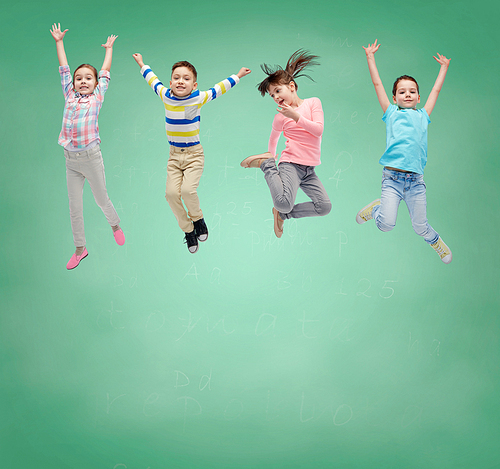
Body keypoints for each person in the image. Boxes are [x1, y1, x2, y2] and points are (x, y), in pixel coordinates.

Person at [132, 53, 251, 253]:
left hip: (194, 155)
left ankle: (198, 219)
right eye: (177, 78)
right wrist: (142, 64)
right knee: (170, 195)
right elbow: (152, 80)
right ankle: (188, 230)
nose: (181, 81)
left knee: (188, 191)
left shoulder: (199, 97)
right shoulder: (165, 95)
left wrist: (238, 75)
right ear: (170, 83)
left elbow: (219, 89)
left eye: (186, 79)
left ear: (194, 85)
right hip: (174, 157)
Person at [356, 39, 452, 264]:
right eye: (402, 92)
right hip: (392, 179)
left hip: (416, 182)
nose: (407, 95)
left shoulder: (424, 115)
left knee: (420, 227)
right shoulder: (391, 113)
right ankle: (377, 208)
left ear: (419, 97)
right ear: (394, 98)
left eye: (412, 92)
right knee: (386, 225)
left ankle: (435, 241)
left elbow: (436, 89)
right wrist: (370, 56)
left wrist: (444, 67)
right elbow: (377, 84)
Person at [50, 23, 124, 270]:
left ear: (95, 83)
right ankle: (80, 249)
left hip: (91, 157)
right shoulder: (69, 95)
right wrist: (59, 42)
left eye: (88, 78)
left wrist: (109, 49)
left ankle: (114, 224)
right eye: (78, 78)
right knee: (74, 206)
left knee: (101, 199)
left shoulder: (98, 97)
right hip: (70, 160)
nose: (83, 81)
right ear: (73, 83)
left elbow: (105, 71)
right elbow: (63, 68)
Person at [240, 50, 331, 238]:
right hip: (290, 164)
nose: (275, 97)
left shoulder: (313, 103)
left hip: (309, 170)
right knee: (283, 201)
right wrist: (270, 156)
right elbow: (273, 138)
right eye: (272, 95)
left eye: (277, 91)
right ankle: (267, 166)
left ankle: (283, 215)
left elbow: (318, 130)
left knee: (324, 207)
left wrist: (295, 116)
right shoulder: (280, 117)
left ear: (291, 86)